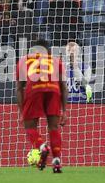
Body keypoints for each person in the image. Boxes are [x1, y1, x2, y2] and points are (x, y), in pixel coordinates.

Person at [16, 39, 68, 173]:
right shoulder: (56, 61)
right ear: (48, 51)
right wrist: (65, 111)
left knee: (30, 126)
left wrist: (22, 113)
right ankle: (57, 161)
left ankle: (42, 147)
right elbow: (64, 87)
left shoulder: (24, 60)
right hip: (54, 90)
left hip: (34, 90)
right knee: (53, 127)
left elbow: (19, 88)